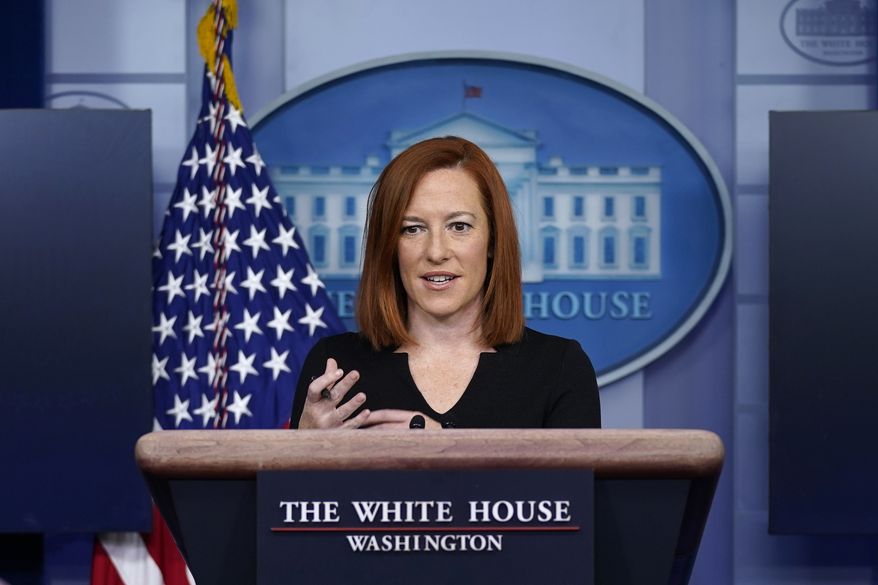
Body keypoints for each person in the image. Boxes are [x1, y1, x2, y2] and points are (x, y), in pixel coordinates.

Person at [290, 136, 600, 430]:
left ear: (493, 240)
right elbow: (296, 489)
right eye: (412, 229)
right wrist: (300, 453)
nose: (436, 252)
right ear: (389, 246)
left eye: (459, 226)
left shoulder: (559, 368)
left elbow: (569, 488)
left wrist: (448, 450)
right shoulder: (334, 366)